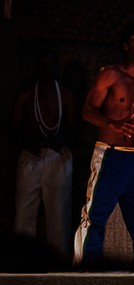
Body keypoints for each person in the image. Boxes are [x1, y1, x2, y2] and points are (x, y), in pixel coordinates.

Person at [73, 25, 134, 271]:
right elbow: (87, 111)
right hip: (109, 156)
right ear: (126, 46)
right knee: (94, 221)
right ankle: (83, 277)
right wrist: (112, 124)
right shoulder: (111, 75)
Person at [10, 51, 77, 263]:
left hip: (57, 158)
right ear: (37, 68)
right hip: (31, 157)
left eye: (51, 65)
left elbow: (75, 130)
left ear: (57, 69)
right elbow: (13, 130)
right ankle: (21, 261)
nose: (47, 70)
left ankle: (57, 263)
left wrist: (59, 142)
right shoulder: (26, 95)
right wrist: (29, 143)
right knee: (24, 212)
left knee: (58, 216)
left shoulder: (66, 95)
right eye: (43, 65)